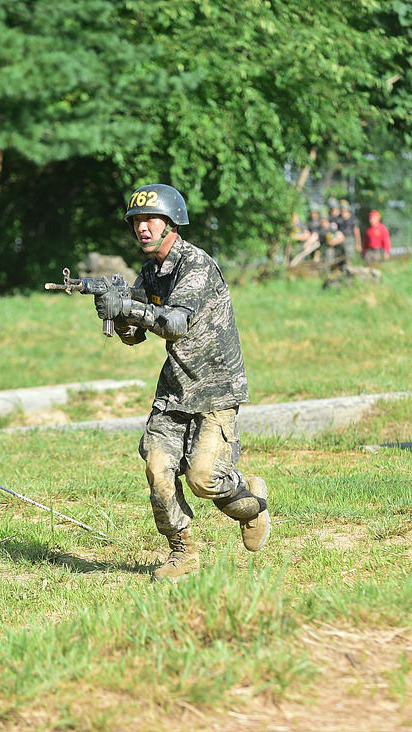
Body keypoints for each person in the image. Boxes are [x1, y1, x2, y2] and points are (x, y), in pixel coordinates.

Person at [94, 183, 270, 583]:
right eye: (137, 221)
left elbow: (176, 323)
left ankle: (253, 499)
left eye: (151, 219)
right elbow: (133, 336)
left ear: (172, 222)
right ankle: (182, 552)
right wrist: (115, 311)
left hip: (215, 389)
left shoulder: (196, 265)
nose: (142, 227)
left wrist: (130, 307)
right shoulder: (150, 272)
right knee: (158, 469)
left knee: (204, 478)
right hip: (175, 390)